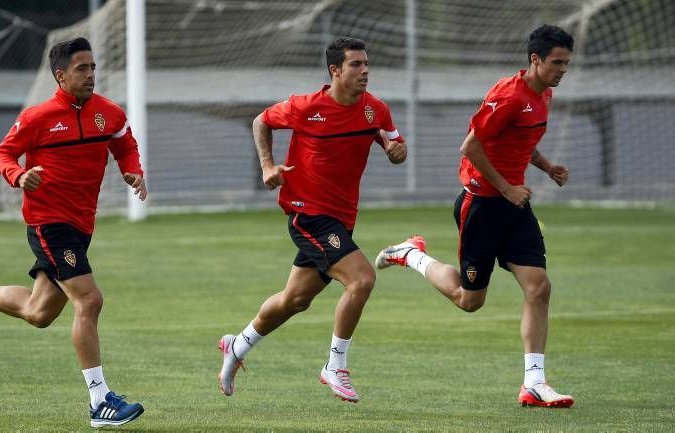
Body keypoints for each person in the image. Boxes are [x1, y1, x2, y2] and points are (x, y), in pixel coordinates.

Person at [0, 37, 147, 427]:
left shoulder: (108, 113)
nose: (91, 74)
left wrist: (134, 170)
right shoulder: (38, 118)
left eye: (93, 67)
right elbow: (2, 153)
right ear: (60, 75)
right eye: (82, 68)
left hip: (80, 225)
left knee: (39, 312)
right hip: (49, 222)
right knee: (89, 301)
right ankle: (100, 402)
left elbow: (124, 144)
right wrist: (20, 175)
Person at [375, 24, 575, 408]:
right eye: (557, 63)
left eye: (566, 63)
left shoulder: (544, 94)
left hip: (515, 207)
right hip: (482, 205)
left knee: (539, 287)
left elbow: (520, 141)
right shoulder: (509, 96)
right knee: (469, 301)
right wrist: (507, 188)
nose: (563, 70)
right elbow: (471, 147)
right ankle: (410, 254)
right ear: (535, 60)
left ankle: (534, 382)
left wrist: (547, 167)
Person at [217, 37, 407, 403]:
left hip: (342, 219)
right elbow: (261, 121)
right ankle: (335, 366)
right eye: (355, 64)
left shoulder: (375, 111)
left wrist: (396, 152)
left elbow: (395, 148)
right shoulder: (307, 107)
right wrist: (268, 165)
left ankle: (236, 346)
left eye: (366, 63)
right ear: (335, 70)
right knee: (362, 279)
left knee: (294, 300)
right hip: (308, 214)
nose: (364, 70)